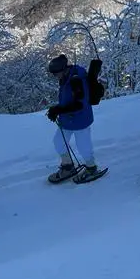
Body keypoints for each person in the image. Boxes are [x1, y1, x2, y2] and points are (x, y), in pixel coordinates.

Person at [46, 54, 105, 183]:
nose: (55, 77)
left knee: (83, 145)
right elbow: (68, 99)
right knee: (58, 142)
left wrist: (58, 110)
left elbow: (79, 104)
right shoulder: (65, 77)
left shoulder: (76, 80)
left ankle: (92, 168)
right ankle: (68, 166)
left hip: (80, 120)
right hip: (67, 119)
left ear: (63, 69)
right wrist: (57, 110)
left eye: (55, 74)